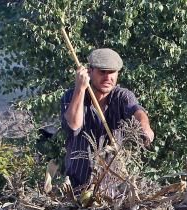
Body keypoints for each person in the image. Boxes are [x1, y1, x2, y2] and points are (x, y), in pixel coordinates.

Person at [62, 47, 154, 189]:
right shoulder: (71, 96)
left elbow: (137, 111)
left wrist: (145, 128)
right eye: (102, 72)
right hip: (77, 187)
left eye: (112, 72)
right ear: (89, 71)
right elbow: (74, 124)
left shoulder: (122, 97)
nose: (107, 77)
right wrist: (80, 89)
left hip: (112, 189)